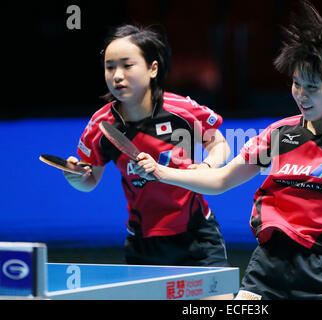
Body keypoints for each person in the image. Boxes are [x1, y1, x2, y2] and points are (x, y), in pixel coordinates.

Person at [134, 1, 322, 300]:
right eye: (297, 84)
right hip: (267, 268)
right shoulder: (279, 134)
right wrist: (160, 171)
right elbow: (221, 181)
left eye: (312, 87)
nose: (301, 95)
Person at [63, 25, 234, 298]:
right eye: (110, 67)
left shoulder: (181, 111)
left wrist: (208, 167)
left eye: (127, 65)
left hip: (197, 236)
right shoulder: (101, 126)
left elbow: (219, 145)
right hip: (144, 243)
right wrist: (76, 178)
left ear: (152, 69)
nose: (117, 75)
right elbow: (90, 180)